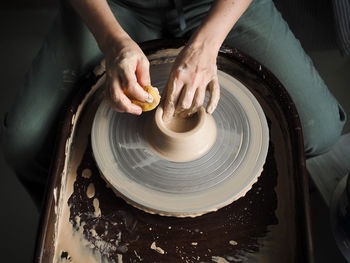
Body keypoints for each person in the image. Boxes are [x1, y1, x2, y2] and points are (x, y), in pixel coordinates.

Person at [1, 0, 346, 206]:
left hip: (218, 5)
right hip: (119, 6)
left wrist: (207, 44)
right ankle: (64, 211)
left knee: (321, 129)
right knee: (23, 144)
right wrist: (113, 41)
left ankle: (268, 204)